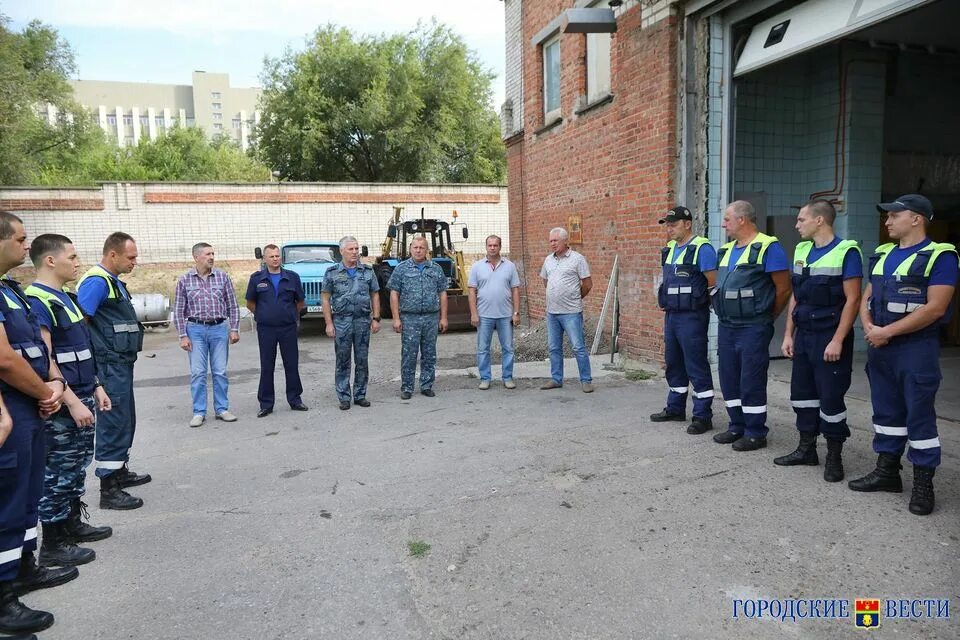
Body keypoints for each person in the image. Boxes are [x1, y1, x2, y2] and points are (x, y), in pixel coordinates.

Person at [848, 194, 958, 516]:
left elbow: (936, 307)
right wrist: (869, 327)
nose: (888, 221)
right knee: (886, 413)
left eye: (894, 215)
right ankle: (887, 472)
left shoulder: (941, 257)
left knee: (919, 416)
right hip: (880, 347)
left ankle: (923, 484)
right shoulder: (882, 254)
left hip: (915, 349)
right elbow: (867, 297)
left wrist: (887, 332)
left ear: (916, 219)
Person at [25, 235, 114, 571]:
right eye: (72, 257)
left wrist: (96, 387)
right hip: (64, 402)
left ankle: (71, 523)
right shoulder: (38, 300)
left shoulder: (65, 297)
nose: (78, 263)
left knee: (75, 467)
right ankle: (53, 543)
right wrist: (72, 401)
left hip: (81, 391)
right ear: (50, 260)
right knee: (58, 472)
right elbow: (47, 360)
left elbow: (79, 350)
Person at [0, 211, 68, 637]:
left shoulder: (10, 291)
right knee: (7, 502)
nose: (28, 246)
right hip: (13, 409)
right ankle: (4, 600)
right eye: (21, 239)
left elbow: (35, 348)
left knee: (27, 495)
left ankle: (24, 569)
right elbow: (5, 359)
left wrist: (52, 383)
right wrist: (45, 392)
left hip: (31, 406)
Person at [776, 200, 862, 481]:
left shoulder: (846, 251)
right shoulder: (802, 249)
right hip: (804, 335)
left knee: (830, 397)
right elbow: (797, 296)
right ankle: (806, 449)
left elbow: (853, 300)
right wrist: (788, 333)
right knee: (802, 395)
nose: (797, 225)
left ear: (820, 221)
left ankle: (834, 457)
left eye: (801, 220)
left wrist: (838, 339)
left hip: (829, 335)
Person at [76, 232, 148, 510]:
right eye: (131, 257)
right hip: (108, 365)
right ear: (113, 255)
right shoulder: (96, 283)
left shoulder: (112, 282)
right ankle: (109, 488)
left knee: (125, 418)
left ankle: (119, 470)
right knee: (113, 421)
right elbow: (81, 324)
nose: (135, 262)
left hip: (120, 363)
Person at [712, 200, 791, 451]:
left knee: (751, 379)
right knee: (729, 377)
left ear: (742, 220)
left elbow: (783, 288)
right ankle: (736, 426)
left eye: (727, 219)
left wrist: (767, 316)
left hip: (753, 326)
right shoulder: (725, 250)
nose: (723, 223)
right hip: (727, 325)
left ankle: (756, 431)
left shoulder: (769, 247)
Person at [649, 206, 717, 434]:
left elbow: (712, 281)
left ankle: (702, 416)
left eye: (674, 224)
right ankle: (675, 408)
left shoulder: (702, 248)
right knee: (674, 362)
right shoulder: (669, 249)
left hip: (692, 316)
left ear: (687, 224)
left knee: (695, 364)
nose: (669, 229)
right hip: (672, 315)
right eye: (667, 225)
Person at [174, 242, 240, 428]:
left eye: (213, 253)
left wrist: (234, 329)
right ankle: (199, 412)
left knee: (220, 371)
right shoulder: (185, 280)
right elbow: (178, 310)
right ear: (196, 257)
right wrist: (182, 335)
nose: (211, 257)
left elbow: (233, 305)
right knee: (198, 372)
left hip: (219, 329)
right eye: (207, 254)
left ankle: (222, 409)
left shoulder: (222, 277)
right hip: (195, 329)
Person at [245, 244, 307, 418]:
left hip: (287, 328)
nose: (275, 259)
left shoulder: (292, 277)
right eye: (271, 256)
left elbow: (300, 302)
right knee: (267, 366)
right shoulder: (257, 278)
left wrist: (289, 315)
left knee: (291, 364)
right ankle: (266, 403)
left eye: (277, 256)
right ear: (265, 259)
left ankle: (295, 399)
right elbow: (250, 303)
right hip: (266, 329)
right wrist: (264, 315)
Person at [321, 236, 381, 410]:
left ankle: (360, 394)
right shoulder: (332, 272)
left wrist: (376, 318)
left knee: (362, 360)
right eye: (351, 249)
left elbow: (375, 294)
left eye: (356, 249)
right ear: (342, 251)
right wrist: (329, 323)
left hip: (362, 321)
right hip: (342, 322)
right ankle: (344, 396)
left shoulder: (367, 271)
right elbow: (325, 299)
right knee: (343, 360)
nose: (355, 252)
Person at [387, 236, 448, 399]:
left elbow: (442, 293)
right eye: (415, 247)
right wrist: (396, 318)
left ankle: (426, 385)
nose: (418, 250)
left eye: (422, 247)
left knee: (429, 353)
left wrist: (444, 318)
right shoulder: (401, 269)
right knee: (409, 354)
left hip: (431, 317)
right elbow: (394, 293)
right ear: (410, 249)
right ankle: (407, 387)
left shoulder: (436, 269)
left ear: (427, 250)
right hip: (410, 318)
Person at [539, 227, 593, 393]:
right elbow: (545, 281)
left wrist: (575, 298)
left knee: (578, 347)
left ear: (565, 241)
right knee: (554, 347)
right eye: (550, 241)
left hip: (571, 312)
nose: (552, 244)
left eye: (555, 240)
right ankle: (556, 379)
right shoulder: (548, 260)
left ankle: (586, 380)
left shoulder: (577, 259)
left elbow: (587, 284)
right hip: (552, 312)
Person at [468, 235, 521, 390]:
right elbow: (472, 291)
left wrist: (516, 312)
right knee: (483, 348)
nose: (492, 248)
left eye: (495, 245)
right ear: (486, 247)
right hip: (484, 315)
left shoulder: (509, 266)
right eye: (490, 245)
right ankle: (485, 378)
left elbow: (515, 290)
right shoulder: (477, 267)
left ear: (500, 247)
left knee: (508, 348)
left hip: (505, 315)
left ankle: (507, 377)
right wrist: (473, 313)